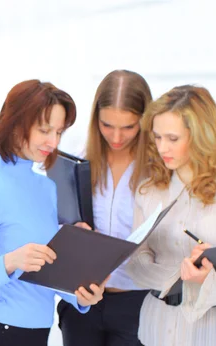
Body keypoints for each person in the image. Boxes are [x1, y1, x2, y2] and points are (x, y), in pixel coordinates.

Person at [0, 79, 107, 346]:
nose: (53, 141)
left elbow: (45, 275)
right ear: (15, 126)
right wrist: (12, 261)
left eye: (59, 132)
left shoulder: (46, 187)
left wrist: (81, 296)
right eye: (45, 130)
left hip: (39, 336)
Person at [125, 85, 216, 346]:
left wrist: (209, 280)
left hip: (215, 330)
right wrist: (177, 278)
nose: (162, 148)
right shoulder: (147, 190)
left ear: (201, 136)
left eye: (172, 138)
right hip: (156, 326)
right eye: (157, 137)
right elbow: (135, 264)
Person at [57, 70, 152, 346]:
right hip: (82, 302)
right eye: (107, 125)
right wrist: (72, 232)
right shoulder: (78, 159)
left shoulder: (158, 170)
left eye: (129, 127)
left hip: (137, 301)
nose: (117, 137)